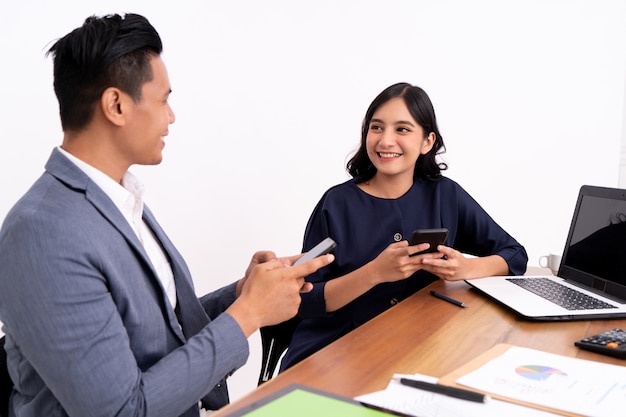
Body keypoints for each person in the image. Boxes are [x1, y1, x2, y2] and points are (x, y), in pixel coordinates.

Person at [0, 13, 333, 417]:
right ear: (117, 105)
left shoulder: (120, 199)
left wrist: (245, 293)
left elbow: (159, 332)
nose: (171, 116)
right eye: (163, 100)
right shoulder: (41, 232)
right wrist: (249, 315)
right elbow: (122, 411)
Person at [279, 82, 528, 371]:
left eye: (402, 129)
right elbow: (305, 298)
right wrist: (374, 273)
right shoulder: (336, 204)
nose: (385, 141)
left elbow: (514, 254)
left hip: (418, 348)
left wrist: (465, 269)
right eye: (376, 127)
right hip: (334, 353)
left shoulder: (446, 195)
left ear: (427, 141)